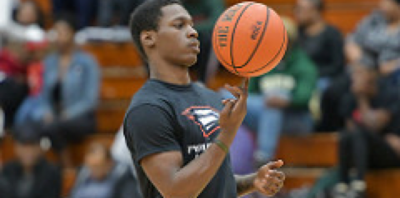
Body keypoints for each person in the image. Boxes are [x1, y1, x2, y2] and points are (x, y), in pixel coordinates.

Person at [124, 1, 285, 198]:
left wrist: (252, 181)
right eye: (179, 25)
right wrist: (227, 134)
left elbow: (213, 183)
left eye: (191, 24)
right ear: (149, 38)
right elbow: (176, 191)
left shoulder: (208, 97)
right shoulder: (148, 108)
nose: (193, 32)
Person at [243, 17, 317, 165]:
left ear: (290, 41)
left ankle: (264, 157)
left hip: (297, 119)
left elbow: (304, 98)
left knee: (276, 99)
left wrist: (284, 100)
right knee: (225, 98)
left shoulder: (304, 64)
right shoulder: (261, 62)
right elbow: (249, 95)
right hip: (265, 116)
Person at [37, 14, 100, 166]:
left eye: (63, 31)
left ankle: (67, 167)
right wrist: (47, 112)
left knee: (53, 128)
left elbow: (90, 100)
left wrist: (68, 114)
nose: (59, 36)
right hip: (55, 118)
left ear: (73, 33)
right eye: (56, 32)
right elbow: (43, 94)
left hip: (81, 118)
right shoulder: (49, 61)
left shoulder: (87, 62)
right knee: (32, 127)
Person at [333, 59, 400, 198]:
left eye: (359, 73)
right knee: (345, 136)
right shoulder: (349, 98)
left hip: (390, 151)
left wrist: (361, 98)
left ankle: (359, 186)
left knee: (360, 134)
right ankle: (343, 185)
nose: (354, 78)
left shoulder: (390, 94)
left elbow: (373, 125)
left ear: (372, 75)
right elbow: (350, 129)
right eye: (353, 74)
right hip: (363, 153)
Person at [1, 124, 62, 198]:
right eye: (24, 146)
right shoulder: (8, 170)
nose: (28, 151)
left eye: (32, 145)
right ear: (16, 147)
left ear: (39, 147)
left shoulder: (51, 173)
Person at [295, 0, 344, 91]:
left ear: (315, 11)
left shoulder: (332, 33)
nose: (296, 12)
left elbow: (337, 66)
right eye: (296, 8)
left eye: (300, 9)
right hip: (299, 77)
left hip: (322, 79)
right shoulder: (297, 33)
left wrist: (311, 73)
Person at [345, 0, 400, 75]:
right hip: (365, 68)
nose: (382, 5)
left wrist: (393, 65)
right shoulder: (375, 18)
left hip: (393, 73)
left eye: (387, 3)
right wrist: (359, 59)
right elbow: (352, 40)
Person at [70, 143, 142, 198]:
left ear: (109, 163)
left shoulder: (123, 176)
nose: (93, 170)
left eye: (97, 166)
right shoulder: (84, 175)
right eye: (90, 166)